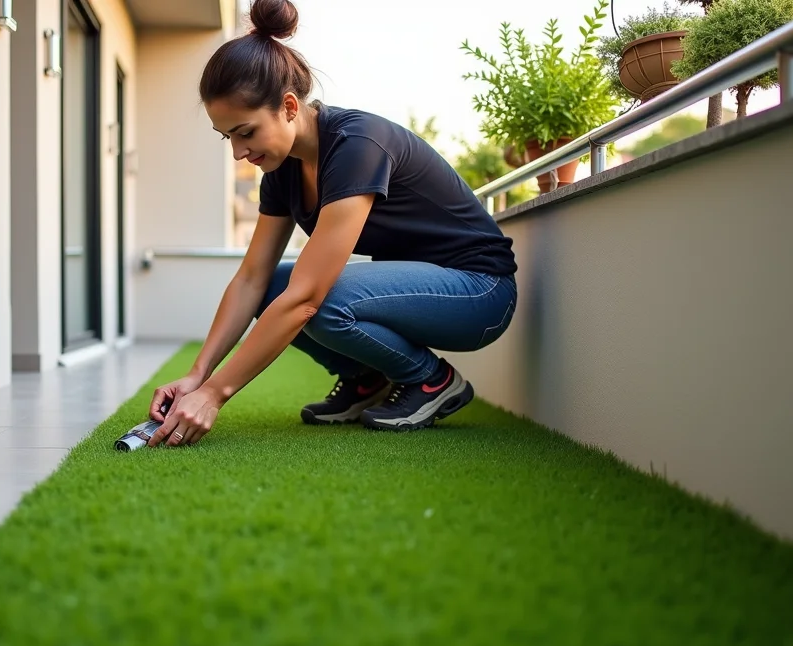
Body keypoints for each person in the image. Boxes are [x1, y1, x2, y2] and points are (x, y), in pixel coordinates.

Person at [147, 0, 517, 448]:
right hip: (428, 292)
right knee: (274, 286)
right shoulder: (280, 168)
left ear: (287, 107)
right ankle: (365, 379)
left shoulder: (357, 145)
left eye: (246, 132)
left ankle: (432, 380)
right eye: (228, 137)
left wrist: (215, 395)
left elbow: (306, 297)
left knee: (316, 295)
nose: (238, 152)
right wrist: (196, 375)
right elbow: (250, 278)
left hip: (479, 291)